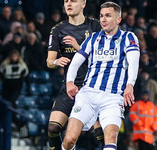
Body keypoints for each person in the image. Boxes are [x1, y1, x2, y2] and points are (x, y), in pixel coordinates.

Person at [62, 2, 140, 150]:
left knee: (110, 137)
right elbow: (75, 63)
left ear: (118, 19)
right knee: (70, 139)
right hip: (88, 95)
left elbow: (133, 61)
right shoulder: (93, 38)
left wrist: (130, 84)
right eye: (101, 16)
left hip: (113, 97)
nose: (103, 19)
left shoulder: (129, 37)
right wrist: (69, 82)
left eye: (108, 16)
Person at [46, 0, 103, 149]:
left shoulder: (95, 26)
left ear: (83, 4)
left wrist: (79, 47)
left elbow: (102, 57)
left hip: (93, 88)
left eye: (73, 1)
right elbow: (49, 61)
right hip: (70, 88)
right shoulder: (58, 29)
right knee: (53, 129)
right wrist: (57, 61)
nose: (68, 4)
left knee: (102, 134)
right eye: (66, 1)